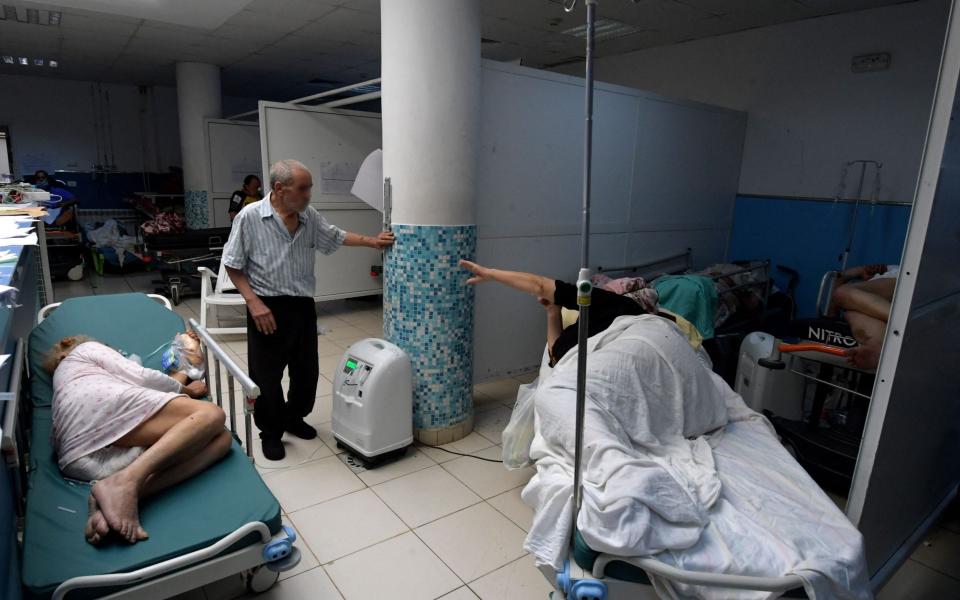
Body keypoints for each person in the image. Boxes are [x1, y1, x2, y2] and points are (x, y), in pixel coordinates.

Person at [222, 159, 394, 461]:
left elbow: (336, 236)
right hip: (266, 306)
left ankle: (293, 417)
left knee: (306, 371)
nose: (308, 194)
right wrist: (254, 303)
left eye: (309, 187)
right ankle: (271, 431)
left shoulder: (308, 216)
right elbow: (233, 264)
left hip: (301, 305)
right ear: (279, 189)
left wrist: (372, 242)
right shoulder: (250, 217)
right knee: (267, 376)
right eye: (303, 189)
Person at [46, 334, 226, 546]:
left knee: (221, 440)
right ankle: (128, 481)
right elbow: (142, 377)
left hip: (77, 458)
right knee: (212, 415)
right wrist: (187, 390)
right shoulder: (83, 350)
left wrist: (182, 376)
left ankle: (115, 498)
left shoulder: (69, 378)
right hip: (98, 414)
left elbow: (147, 392)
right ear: (69, 344)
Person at [459, 260, 665, 367]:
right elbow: (555, 355)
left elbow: (539, 285)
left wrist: (491, 274)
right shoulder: (578, 332)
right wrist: (552, 311)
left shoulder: (617, 307)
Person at [829, 263, 898, 369]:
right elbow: (840, 277)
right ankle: (878, 349)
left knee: (841, 294)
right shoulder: (876, 273)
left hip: (900, 281)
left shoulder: (892, 270)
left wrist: (859, 270)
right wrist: (861, 271)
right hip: (880, 308)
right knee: (851, 313)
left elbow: (840, 278)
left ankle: (902, 322)